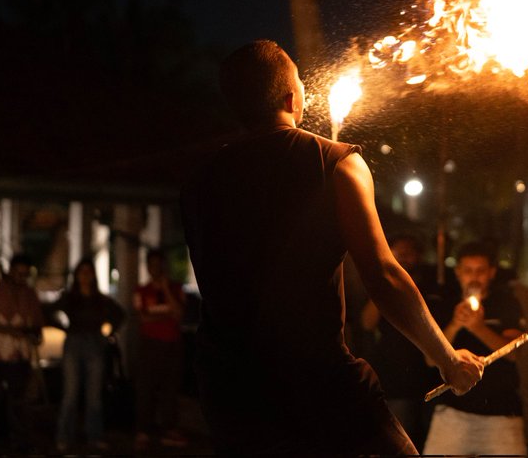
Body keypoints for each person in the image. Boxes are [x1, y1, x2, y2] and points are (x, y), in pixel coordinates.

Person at [180, 40, 483, 455]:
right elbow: (384, 274)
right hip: (315, 381)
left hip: (228, 389)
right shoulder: (335, 162)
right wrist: (447, 359)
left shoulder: (199, 180)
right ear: (292, 97)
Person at [422, 241, 526, 456]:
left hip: (501, 414)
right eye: (468, 270)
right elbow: (430, 360)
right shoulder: (444, 302)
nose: (474, 277)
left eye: (480, 271)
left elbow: (515, 353)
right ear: (458, 272)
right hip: (453, 413)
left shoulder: (505, 302)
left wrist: (478, 328)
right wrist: (454, 325)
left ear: (491, 273)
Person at [358, 234, 439, 452]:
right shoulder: (380, 284)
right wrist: (385, 286)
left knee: (430, 442)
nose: (404, 259)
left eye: (409, 254)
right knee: (400, 442)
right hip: (395, 377)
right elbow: (367, 322)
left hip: (429, 375)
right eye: (398, 254)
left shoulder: (429, 283)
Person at [48, 258, 126, 452]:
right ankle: (64, 437)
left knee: (94, 395)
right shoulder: (70, 297)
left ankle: (94, 436)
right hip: (74, 342)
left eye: (88, 271)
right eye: (81, 271)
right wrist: (63, 327)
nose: (84, 275)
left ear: (93, 275)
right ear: (76, 275)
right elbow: (48, 310)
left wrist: (109, 332)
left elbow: (120, 314)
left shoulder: (100, 299)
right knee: (70, 393)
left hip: (95, 344)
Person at [0, 253, 44, 453]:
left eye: (25, 274)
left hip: (20, 357)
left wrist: (35, 334)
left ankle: (20, 443)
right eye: (19, 273)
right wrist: (12, 331)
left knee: (19, 402)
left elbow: (37, 322)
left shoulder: (29, 295)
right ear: (10, 270)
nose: (22, 278)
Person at [132, 248, 187, 451]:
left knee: (170, 388)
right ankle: (143, 431)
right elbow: (143, 318)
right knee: (145, 388)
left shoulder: (175, 288)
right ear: (148, 267)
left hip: (172, 344)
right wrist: (167, 316)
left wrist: (165, 289)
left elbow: (179, 314)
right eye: (152, 264)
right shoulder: (141, 291)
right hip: (149, 344)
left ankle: (169, 429)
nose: (156, 268)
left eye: (159, 264)